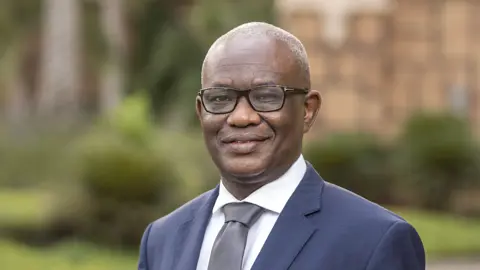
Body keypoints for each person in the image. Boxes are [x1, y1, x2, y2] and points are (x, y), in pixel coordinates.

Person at [137, 22, 425, 270]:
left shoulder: (374, 241)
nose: (241, 117)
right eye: (221, 98)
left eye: (266, 96)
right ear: (201, 112)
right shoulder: (162, 240)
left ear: (307, 110)